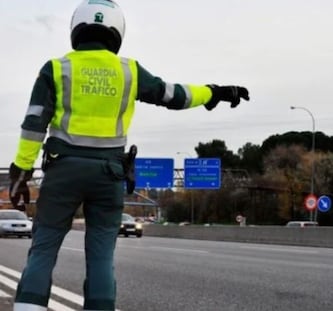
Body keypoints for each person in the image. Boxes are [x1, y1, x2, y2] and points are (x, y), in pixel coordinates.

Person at [8, 0, 249, 310]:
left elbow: (34, 123)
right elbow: (173, 94)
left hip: (62, 172)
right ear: (117, 31)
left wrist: (21, 172)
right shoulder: (129, 71)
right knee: (101, 257)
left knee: (43, 249)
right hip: (109, 175)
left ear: (76, 30)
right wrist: (214, 92)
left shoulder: (56, 68)